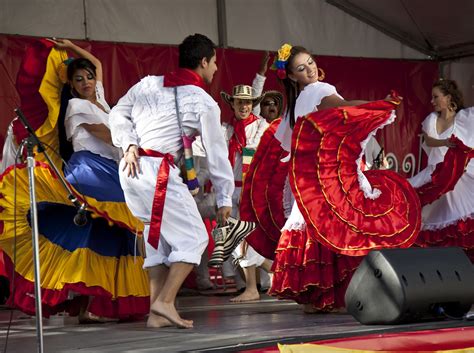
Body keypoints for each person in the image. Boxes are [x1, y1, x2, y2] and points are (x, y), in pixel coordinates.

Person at [0, 38, 149, 323]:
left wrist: (70, 46)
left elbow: (99, 64)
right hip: (91, 172)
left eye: (89, 78)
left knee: (100, 236)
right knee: (118, 227)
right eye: (78, 79)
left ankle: (91, 305)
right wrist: (141, 142)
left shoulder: (102, 101)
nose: (86, 82)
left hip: (109, 170)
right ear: (72, 86)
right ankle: (93, 305)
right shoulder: (76, 108)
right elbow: (108, 136)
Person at [268, 44, 406, 312]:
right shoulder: (320, 90)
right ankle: (342, 296)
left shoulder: (294, 105)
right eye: (301, 68)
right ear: (293, 76)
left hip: (307, 178)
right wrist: (377, 106)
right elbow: (342, 107)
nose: (309, 69)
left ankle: (317, 299)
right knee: (343, 226)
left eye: (310, 62)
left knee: (314, 230)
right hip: (329, 175)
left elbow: (285, 145)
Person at [109, 33, 234, 329]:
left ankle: (155, 315)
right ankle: (164, 301)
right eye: (214, 62)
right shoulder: (204, 102)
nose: (215, 69)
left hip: (132, 169)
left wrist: (128, 144)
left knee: (158, 238)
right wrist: (225, 197)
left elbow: (117, 113)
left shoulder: (147, 83)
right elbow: (216, 155)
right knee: (196, 238)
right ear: (203, 62)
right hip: (159, 173)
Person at [219, 84, 274, 302]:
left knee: (245, 239)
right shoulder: (226, 129)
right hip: (229, 190)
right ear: (232, 103)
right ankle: (277, 272)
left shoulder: (261, 125)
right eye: (240, 101)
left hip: (252, 189)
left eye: (248, 102)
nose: (244, 106)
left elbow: (256, 151)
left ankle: (254, 287)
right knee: (234, 242)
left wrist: (249, 188)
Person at [409, 79, 474, 260]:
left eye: (436, 97)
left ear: (448, 97)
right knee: (418, 206)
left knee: (458, 217)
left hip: (460, 174)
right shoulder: (431, 120)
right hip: (435, 175)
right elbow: (429, 141)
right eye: (432, 97)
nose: (433, 101)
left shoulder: (466, 117)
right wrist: (445, 142)